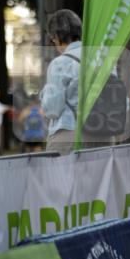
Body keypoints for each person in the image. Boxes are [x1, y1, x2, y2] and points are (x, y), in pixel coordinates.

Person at [39, 9, 84, 154]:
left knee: (58, 170)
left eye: (52, 39)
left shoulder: (60, 63)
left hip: (69, 132)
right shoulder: (102, 58)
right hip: (104, 133)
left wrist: (44, 95)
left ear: (58, 36)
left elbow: (53, 109)